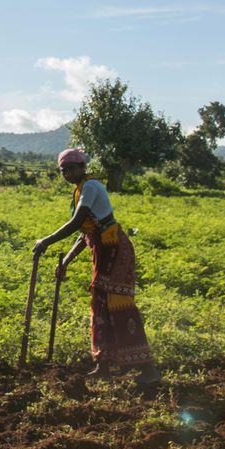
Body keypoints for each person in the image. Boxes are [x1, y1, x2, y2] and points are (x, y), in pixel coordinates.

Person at [32, 148, 159, 384]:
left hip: (115, 251)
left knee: (120, 306)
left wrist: (45, 241)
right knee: (100, 306)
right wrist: (66, 261)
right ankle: (103, 365)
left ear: (82, 167)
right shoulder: (80, 189)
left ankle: (148, 369)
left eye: (71, 168)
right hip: (103, 251)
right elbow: (85, 233)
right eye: (63, 170)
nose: (67, 173)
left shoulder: (90, 186)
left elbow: (76, 222)